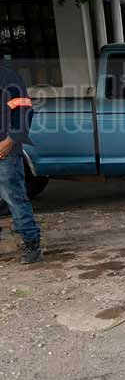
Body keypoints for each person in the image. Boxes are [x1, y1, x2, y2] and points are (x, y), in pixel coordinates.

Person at [0, 66, 40, 264]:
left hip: (4, 150)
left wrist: (10, 141)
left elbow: (24, 111)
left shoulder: (8, 76)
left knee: (14, 198)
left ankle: (31, 244)